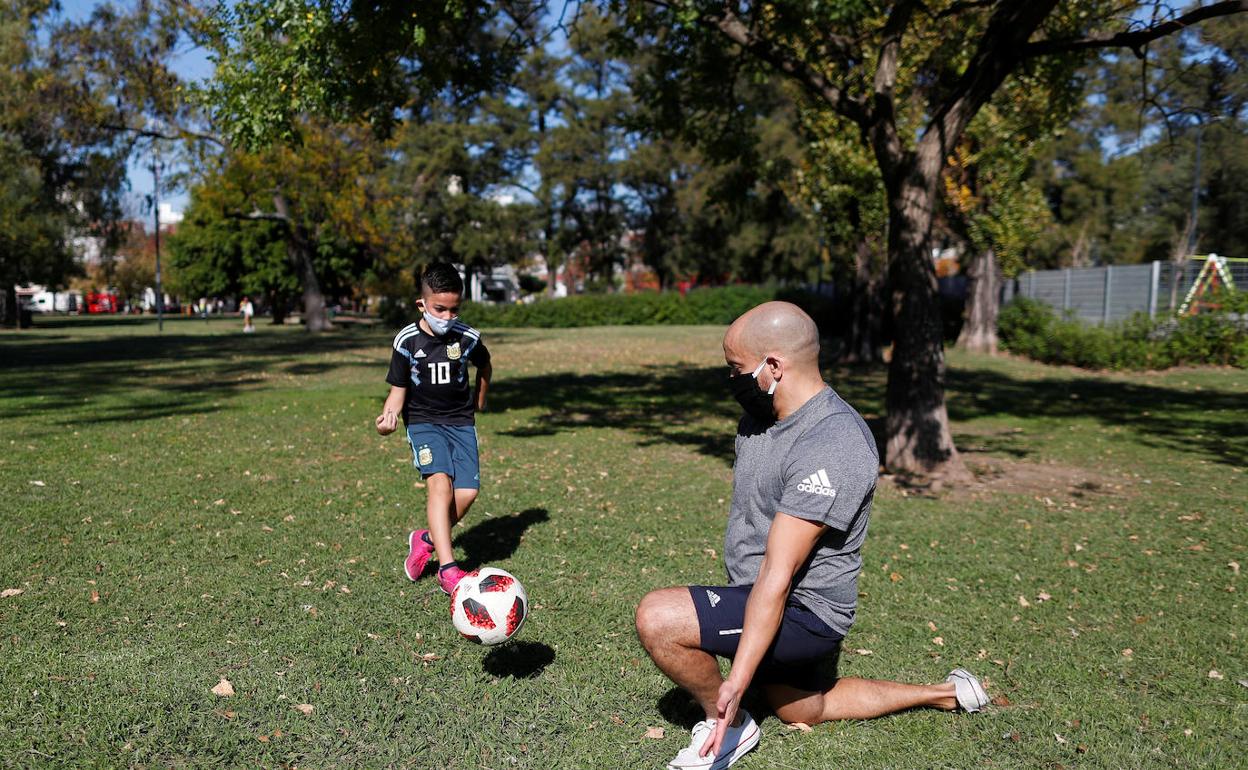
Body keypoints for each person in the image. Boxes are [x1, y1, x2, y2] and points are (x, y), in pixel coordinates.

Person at [635, 302, 989, 770]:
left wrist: (736, 682)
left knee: (659, 617)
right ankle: (946, 692)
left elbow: (778, 576)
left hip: (806, 613)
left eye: (736, 369)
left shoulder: (832, 443)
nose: (732, 381)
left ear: (774, 366)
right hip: (762, 595)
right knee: (802, 708)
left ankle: (733, 724)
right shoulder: (760, 419)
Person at [375, 263, 492, 595]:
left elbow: (485, 363)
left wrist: (480, 399)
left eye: (455, 309)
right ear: (422, 304)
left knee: (467, 493)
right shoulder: (407, 340)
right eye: (440, 308)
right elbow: (398, 389)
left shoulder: (467, 337)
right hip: (424, 422)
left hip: (460, 422)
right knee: (440, 485)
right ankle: (448, 569)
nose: (448, 315)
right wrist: (388, 418)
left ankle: (425, 539)